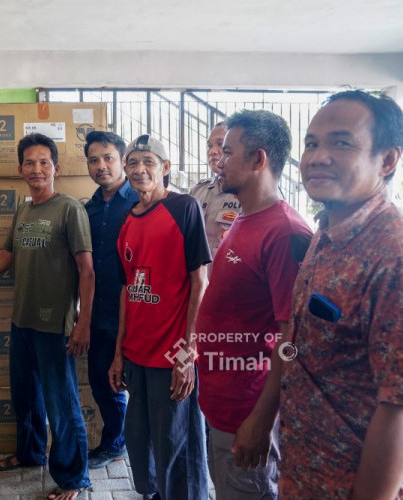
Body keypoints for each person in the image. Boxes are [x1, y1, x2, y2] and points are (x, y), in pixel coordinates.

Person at [280, 90, 403, 499]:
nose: (317, 156)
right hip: (300, 470)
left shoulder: (392, 256)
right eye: (311, 143)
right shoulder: (327, 230)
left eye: (341, 142)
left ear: (387, 160)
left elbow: (398, 407)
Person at [0, 133, 93, 500]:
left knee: (61, 403)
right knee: (26, 397)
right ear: (20, 169)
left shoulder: (69, 209)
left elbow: (87, 271)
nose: (37, 169)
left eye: (44, 162)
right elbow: (6, 258)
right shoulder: (24, 209)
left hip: (56, 326)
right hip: (22, 322)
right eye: (30, 163)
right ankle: (31, 452)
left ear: (56, 168)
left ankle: (74, 477)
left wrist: (83, 323)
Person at [194, 110, 312, 499]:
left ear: (259, 159)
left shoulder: (285, 233)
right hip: (222, 401)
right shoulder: (244, 218)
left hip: (248, 409)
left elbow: (290, 339)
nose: (217, 159)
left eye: (227, 151)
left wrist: (261, 421)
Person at [108, 134, 211, 500]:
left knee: (178, 452)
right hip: (137, 355)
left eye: (148, 162)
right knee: (140, 446)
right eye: (132, 163)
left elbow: (201, 282)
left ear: (165, 168)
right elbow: (126, 291)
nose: (139, 169)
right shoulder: (126, 221)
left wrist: (187, 356)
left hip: (172, 359)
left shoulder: (184, 209)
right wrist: (119, 353)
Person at [83, 131, 137, 468]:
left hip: (136, 312)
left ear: (121, 160)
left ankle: (137, 446)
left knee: (139, 387)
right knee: (103, 382)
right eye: (93, 159)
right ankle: (115, 442)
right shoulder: (86, 208)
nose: (101, 166)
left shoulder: (139, 203)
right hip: (98, 314)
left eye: (108, 158)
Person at [190, 122, 242, 267]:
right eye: (209, 146)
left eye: (220, 145)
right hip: (198, 284)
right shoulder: (198, 191)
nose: (213, 151)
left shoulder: (248, 193)